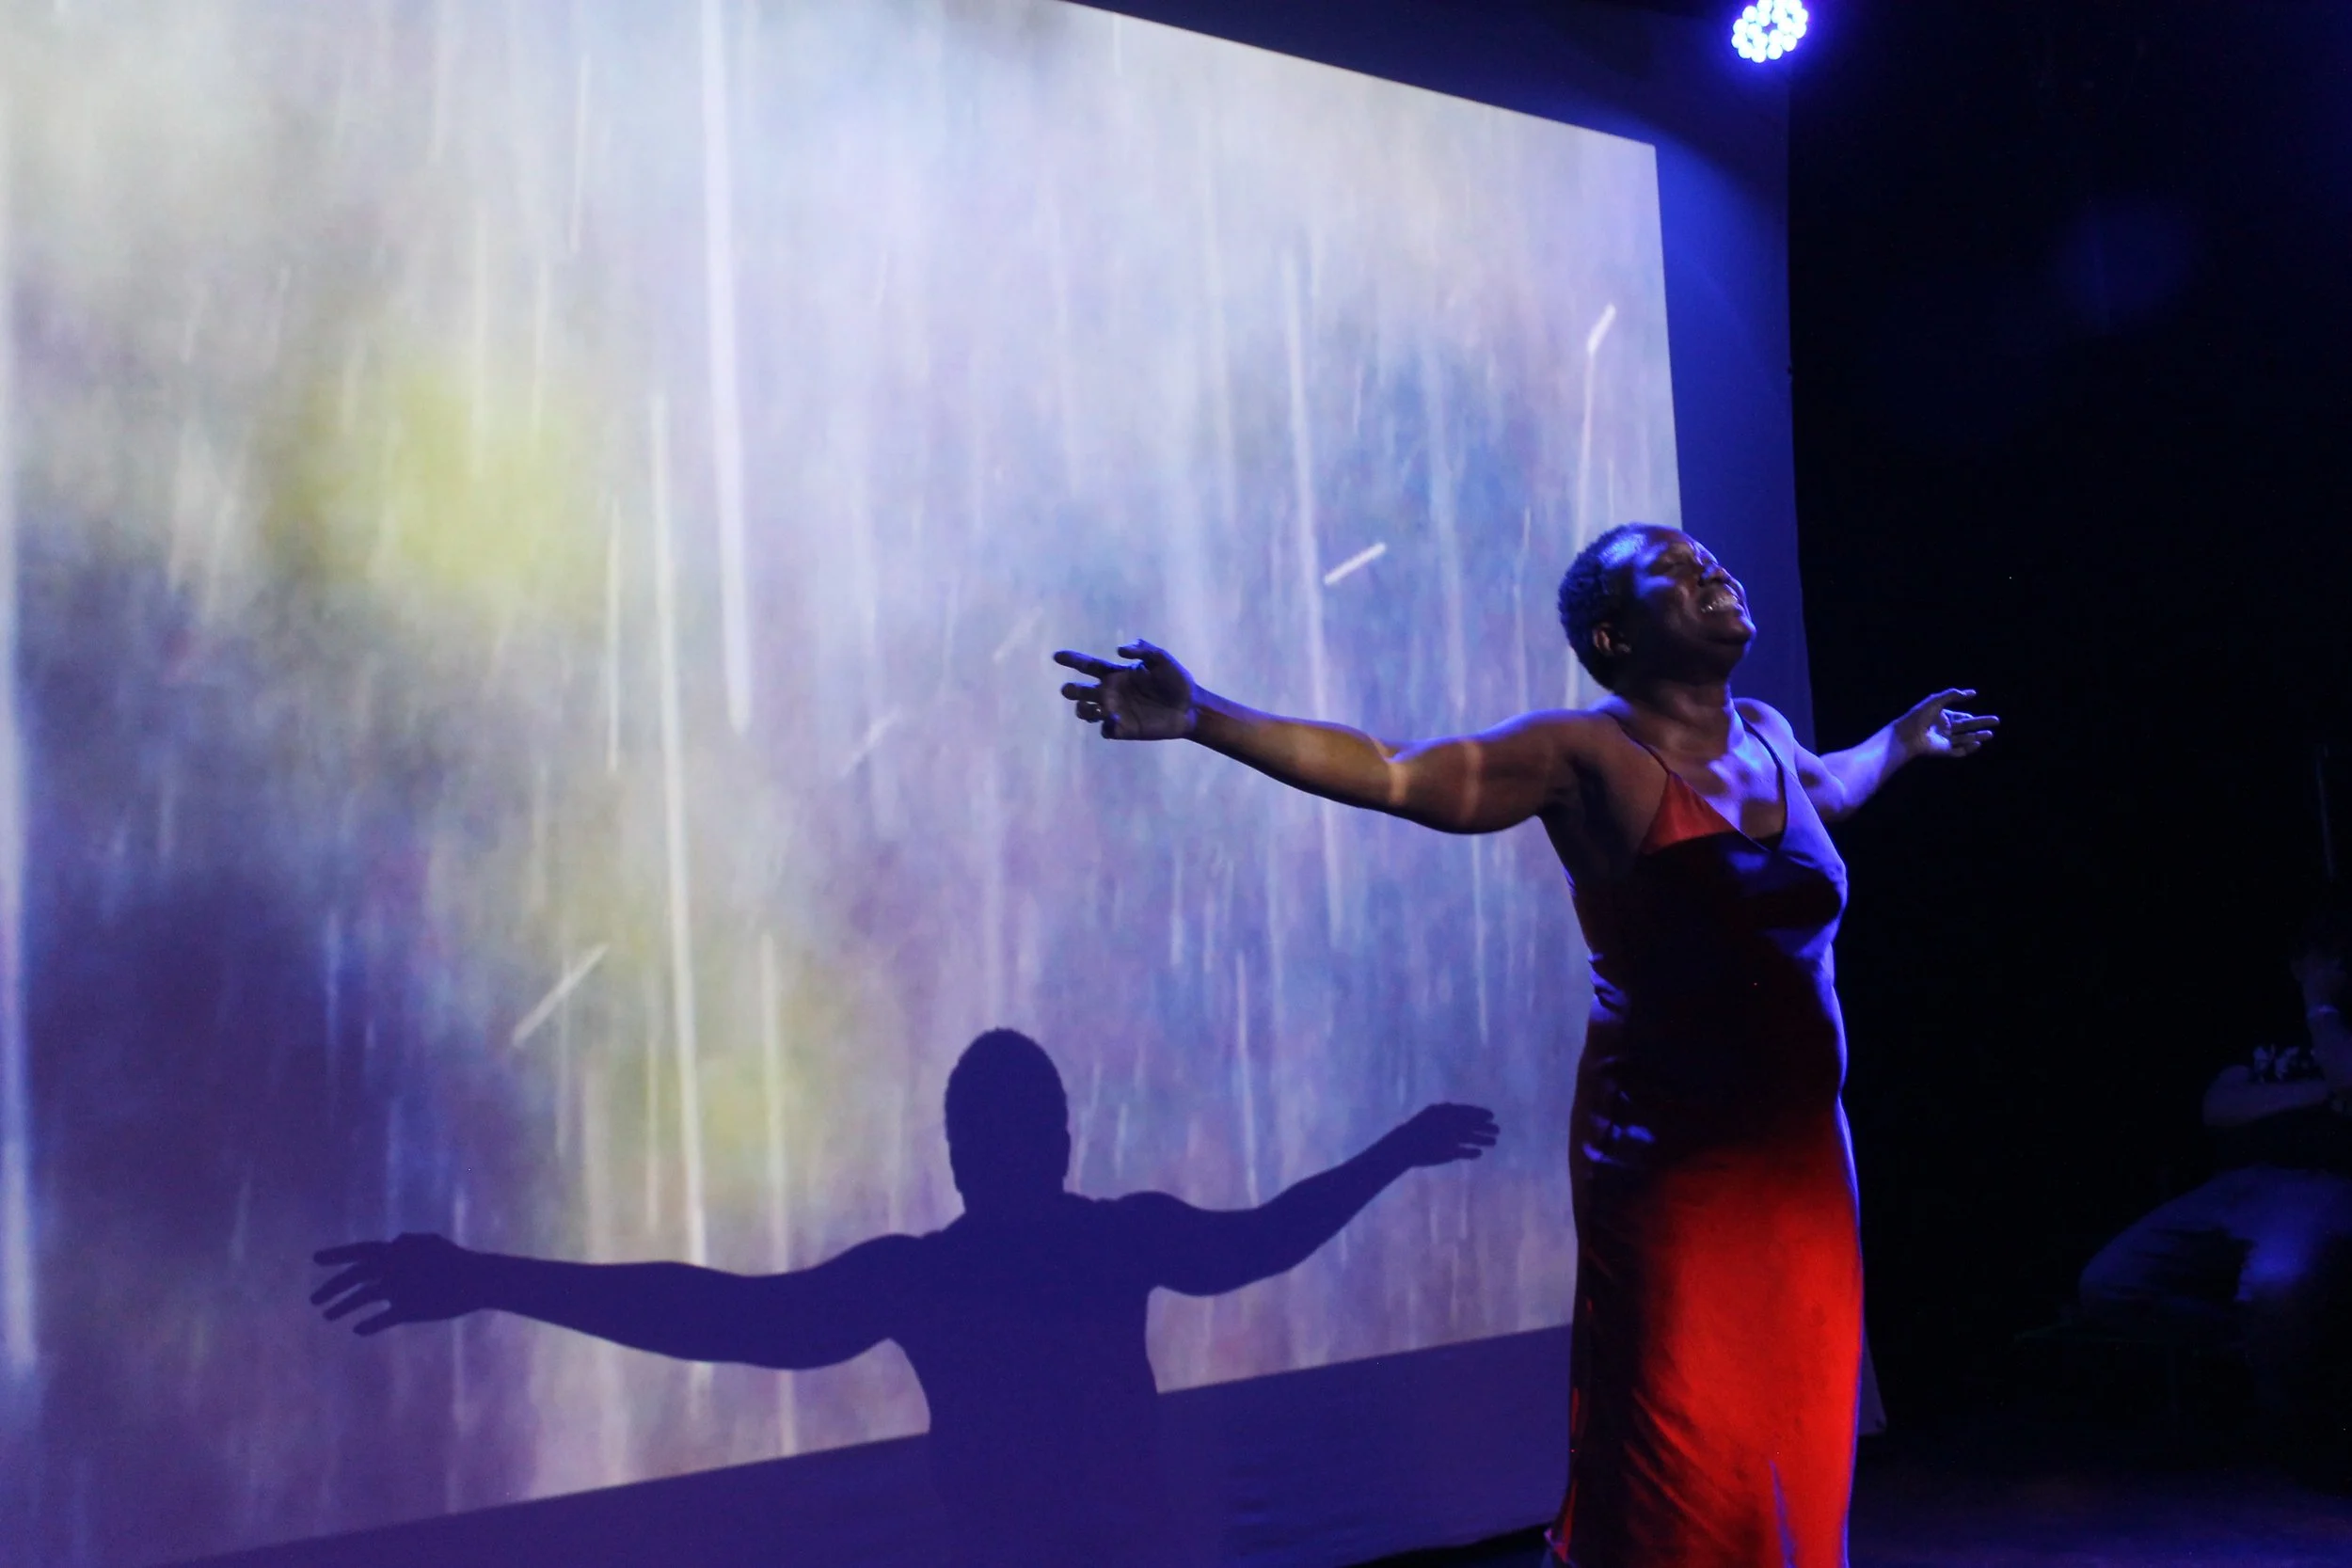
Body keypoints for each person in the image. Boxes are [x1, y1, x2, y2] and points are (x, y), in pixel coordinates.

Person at [1054, 522, 1995, 1568]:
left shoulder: (1770, 736)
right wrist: (1203, 717)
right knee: (1685, 1454)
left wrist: (1901, 744)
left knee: (1796, 1441)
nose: (1709, 567)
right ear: (1613, 635)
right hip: (1674, 1172)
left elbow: (1830, 787)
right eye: (1673, 567)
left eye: (1709, 556)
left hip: (1805, 1169)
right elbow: (1400, 771)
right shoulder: (1583, 753)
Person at [311, 1028, 1498, 1568]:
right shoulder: (1085, 1246)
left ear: (963, 1151)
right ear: (1059, 1139)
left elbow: (722, 1317)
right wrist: (1392, 1149)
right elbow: (1262, 1240)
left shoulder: (935, 1274)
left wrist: (487, 1279)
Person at [2077, 905, 2352, 1465]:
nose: (2324, 968)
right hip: (2236, 1186)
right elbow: (2218, 1108)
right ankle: (2256, 1346)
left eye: (2334, 959)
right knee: (2108, 1285)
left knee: (2278, 1284)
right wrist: (2315, 1093)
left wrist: (2322, 1009)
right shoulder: (2264, 1024)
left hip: (2319, 1184)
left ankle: (2289, 1426)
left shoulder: (2337, 1023)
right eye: (2314, 959)